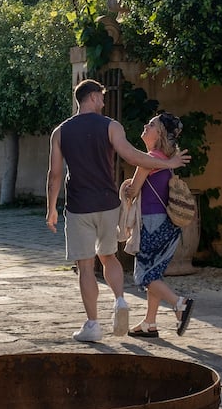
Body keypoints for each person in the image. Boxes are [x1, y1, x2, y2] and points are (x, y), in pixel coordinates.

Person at [46, 79, 191, 343]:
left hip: (79, 206)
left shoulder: (60, 132)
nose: (103, 102)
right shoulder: (111, 126)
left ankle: (92, 324)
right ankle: (121, 301)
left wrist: (51, 208)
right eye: (100, 97)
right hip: (108, 204)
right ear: (90, 97)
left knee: (86, 266)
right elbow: (133, 156)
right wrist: (169, 162)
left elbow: (54, 174)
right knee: (109, 257)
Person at [123, 112, 194, 338]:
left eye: (151, 124)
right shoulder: (165, 157)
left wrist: (125, 187)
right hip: (169, 225)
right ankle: (149, 323)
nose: (146, 125)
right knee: (154, 273)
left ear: (159, 133)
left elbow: (133, 191)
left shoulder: (150, 158)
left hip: (152, 222)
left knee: (143, 276)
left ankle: (179, 304)